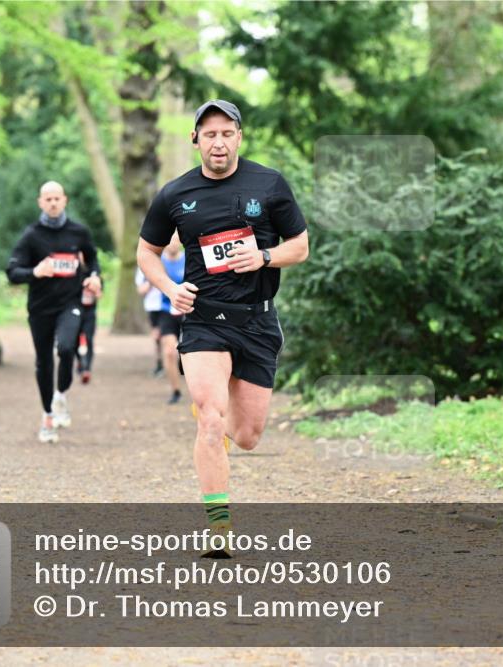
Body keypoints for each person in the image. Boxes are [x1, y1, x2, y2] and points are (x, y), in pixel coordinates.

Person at [137, 100, 309, 557]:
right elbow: (146, 252)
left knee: (248, 436)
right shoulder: (175, 194)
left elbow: (301, 246)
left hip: (256, 318)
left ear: (239, 137)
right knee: (210, 418)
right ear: (195, 139)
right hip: (204, 319)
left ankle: (213, 417)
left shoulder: (268, 183)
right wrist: (169, 288)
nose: (218, 142)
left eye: (226, 133)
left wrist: (265, 257)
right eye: (209, 134)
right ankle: (218, 528)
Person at [7, 181, 102, 443]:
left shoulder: (78, 232)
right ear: (40, 202)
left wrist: (94, 276)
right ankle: (48, 414)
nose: (52, 203)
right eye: (47, 199)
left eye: (56, 198)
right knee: (43, 363)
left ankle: (61, 395)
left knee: (67, 349)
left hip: (70, 303)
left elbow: (93, 259)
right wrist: (35, 272)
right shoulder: (31, 236)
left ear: (64, 200)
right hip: (40, 308)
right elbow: (12, 272)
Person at [157, 233, 187, 405]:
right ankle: (175, 390)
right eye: (169, 240)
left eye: (176, 240)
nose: (173, 244)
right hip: (166, 310)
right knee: (169, 351)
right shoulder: (158, 262)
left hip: (188, 310)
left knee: (191, 352)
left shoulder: (189, 259)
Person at [135, 266, 166, 377]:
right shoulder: (143, 267)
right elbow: (141, 290)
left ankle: (178, 361)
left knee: (174, 335)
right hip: (153, 307)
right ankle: (159, 363)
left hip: (170, 305)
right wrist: (152, 281)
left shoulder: (167, 262)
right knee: (157, 336)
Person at [75, 252, 100, 385]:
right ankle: (80, 361)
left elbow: (100, 294)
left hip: (90, 312)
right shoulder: (74, 273)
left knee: (89, 339)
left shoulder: (95, 274)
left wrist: (95, 290)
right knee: (74, 341)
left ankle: (87, 369)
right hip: (76, 311)